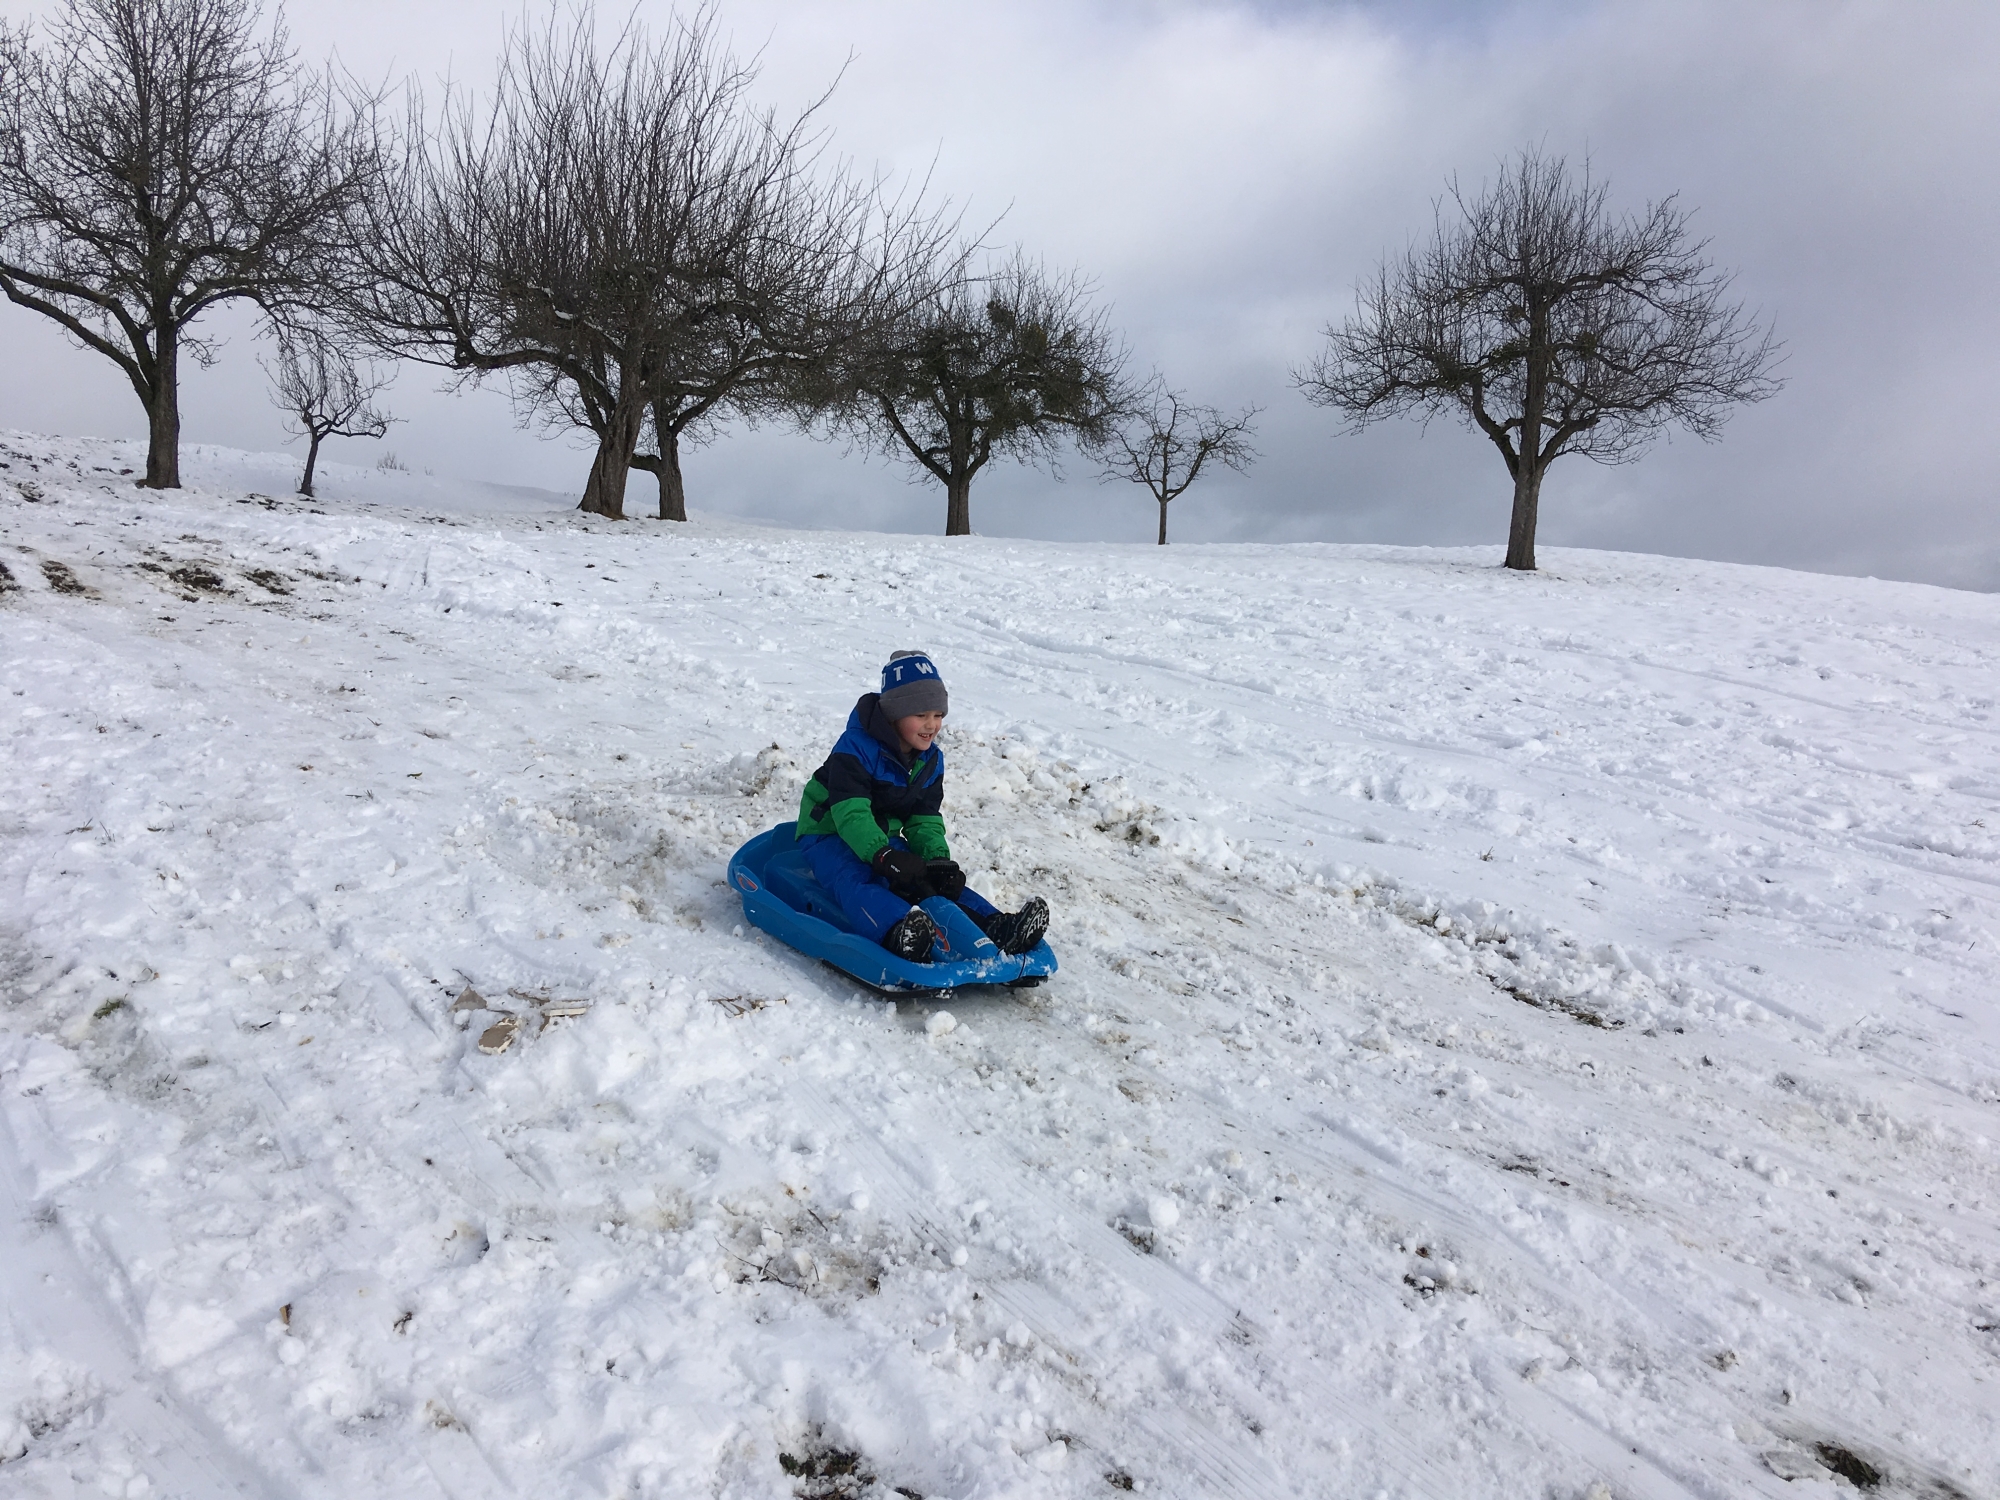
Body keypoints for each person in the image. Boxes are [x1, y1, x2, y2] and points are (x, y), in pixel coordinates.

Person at [795, 651, 1049, 963]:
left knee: (930, 879)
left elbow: (924, 817)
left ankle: (996, 927)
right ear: (894, 714)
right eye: (921, 715)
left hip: (882, 834)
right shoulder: (855, 749)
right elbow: (850, 814)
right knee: (855, 876)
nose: (932, 725)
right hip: (827, 832)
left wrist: (937, 860)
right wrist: (882, 855)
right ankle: (899, 932)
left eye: (938, 715)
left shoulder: (929, 760)